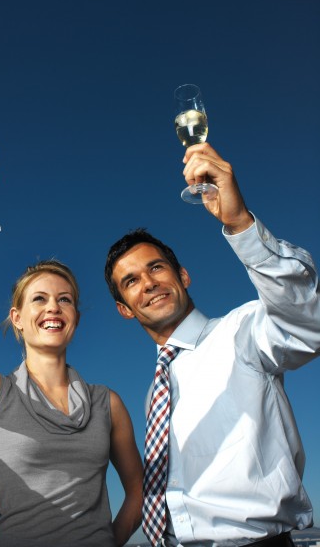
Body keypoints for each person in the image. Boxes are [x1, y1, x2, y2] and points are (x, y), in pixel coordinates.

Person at [104, 143, 320, 547]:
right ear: (124, 309)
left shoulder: (242, 332)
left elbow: (308, 321)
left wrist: (239, 223)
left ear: (183, 277)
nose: (148, 283)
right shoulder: (156, 391)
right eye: (131, 281)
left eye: (156, 267)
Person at [0, 148, 143, 547]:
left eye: (65, 299)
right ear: (18, 318)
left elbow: (138, 491)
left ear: (76, 317)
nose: (53, 308)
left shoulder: (107, 404)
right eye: (39, 299)